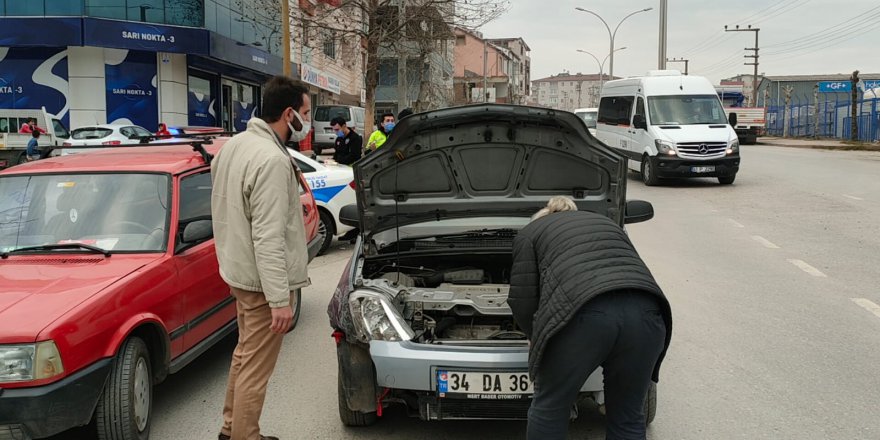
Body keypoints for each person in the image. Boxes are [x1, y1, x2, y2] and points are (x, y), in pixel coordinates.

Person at [509, 196, 673, 440]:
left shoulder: (531, 232)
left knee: (550, 408)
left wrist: (536, 336)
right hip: (647, 312)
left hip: (583, 314)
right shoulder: (606, 224)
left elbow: (523, 300)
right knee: (628, 416)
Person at [211, 75, 312, 440]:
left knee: (243, 357)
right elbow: (267, 237)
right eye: (305, 112)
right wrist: (279, 299)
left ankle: (230, 430)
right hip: (260, 281)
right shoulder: (270, 159)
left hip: (238, 273)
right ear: (289, 114)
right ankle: (245, 436)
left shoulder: (235, 146)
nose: (307, 120)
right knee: (256, 368)